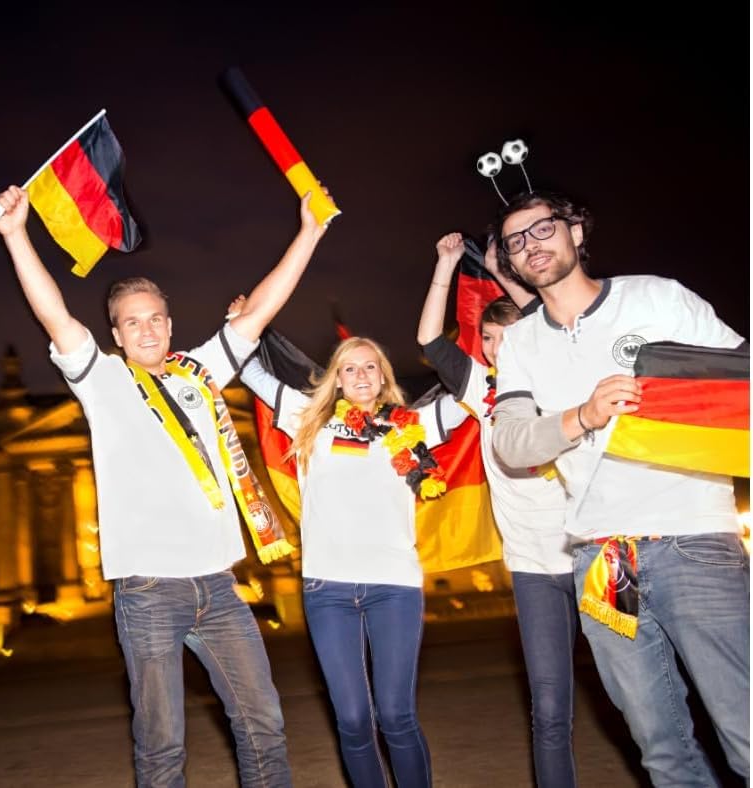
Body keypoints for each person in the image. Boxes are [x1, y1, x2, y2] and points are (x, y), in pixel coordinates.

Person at [0, 183, 332, 787]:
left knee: (263, 725)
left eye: (154, 319)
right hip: (148, 591)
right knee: (162, 746)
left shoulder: (200, 373)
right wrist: (17, 235)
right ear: (116, 335)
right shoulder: (102, 382)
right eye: (132, 323)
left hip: (220, 586)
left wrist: (309, 231)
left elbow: (258, 312)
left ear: (169, 325)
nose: (146, 331)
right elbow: (55, 315)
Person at [490, 190, 749, 786]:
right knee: (661, 748)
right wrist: (581, 415)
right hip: (604, 559)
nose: (531, 245)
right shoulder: (521, 342)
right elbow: (512, 444)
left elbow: (743, 381)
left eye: (543, 228)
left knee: (746, 730)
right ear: (509, 261)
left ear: (576, 232)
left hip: (692, 539)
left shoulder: (656, 298)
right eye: (515, 241)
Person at [229, 318, 465, 788]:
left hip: (394, 587)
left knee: (396, 715)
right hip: (328, 589)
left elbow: (472, 392)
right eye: (350, 368)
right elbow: (250, 370)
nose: (361, 375)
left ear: (383, 376)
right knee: (354, 720)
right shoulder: (308, 418)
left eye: (370, 367)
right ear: (336, 378)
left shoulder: (414, 425)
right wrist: (244, 322)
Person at [417, 233, 577, 788]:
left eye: (506, 336)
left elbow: (550, 312)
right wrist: (445, 265)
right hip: (532, 567)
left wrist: (503, 273)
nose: (495, 347)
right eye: (487, 338)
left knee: (633, 691)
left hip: (592, 557)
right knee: (549, 709)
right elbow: (429, 340)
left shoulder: (560, 377)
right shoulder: (480, 388)